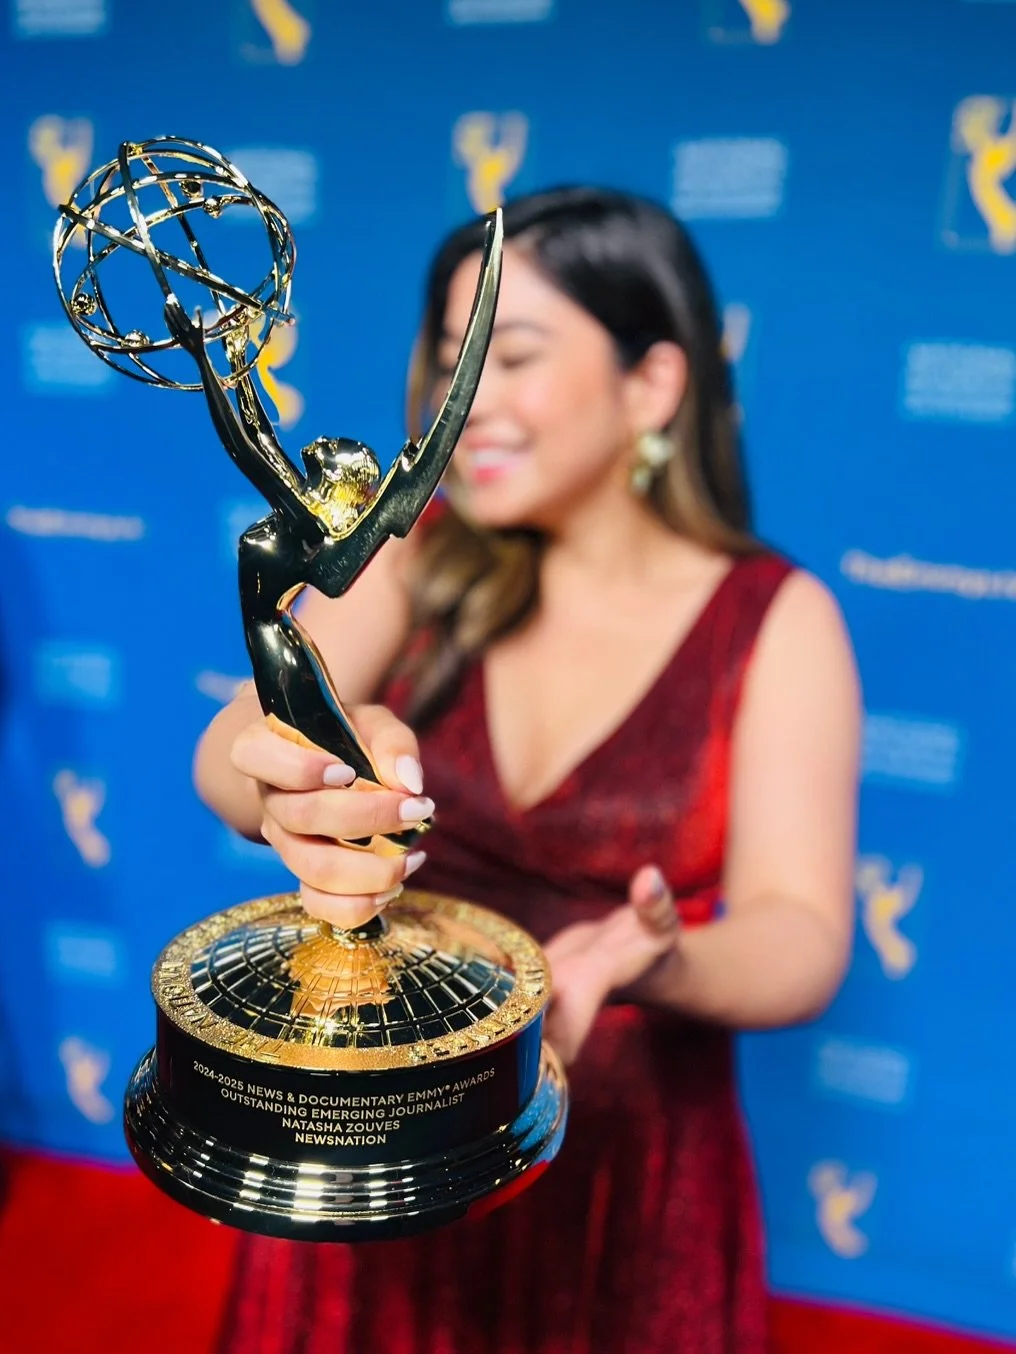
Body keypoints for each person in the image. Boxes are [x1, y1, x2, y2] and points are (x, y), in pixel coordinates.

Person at [196, 186, 860, 1354]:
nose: (468, 405)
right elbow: (231, 745)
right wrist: (294, 783)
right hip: (390, 1131)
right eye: (451, 361)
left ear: (651, 384)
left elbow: (799, 936)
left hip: (624, 1176)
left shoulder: (774, 618)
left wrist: (659, 957)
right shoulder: (415, 551)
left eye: (511, 358)